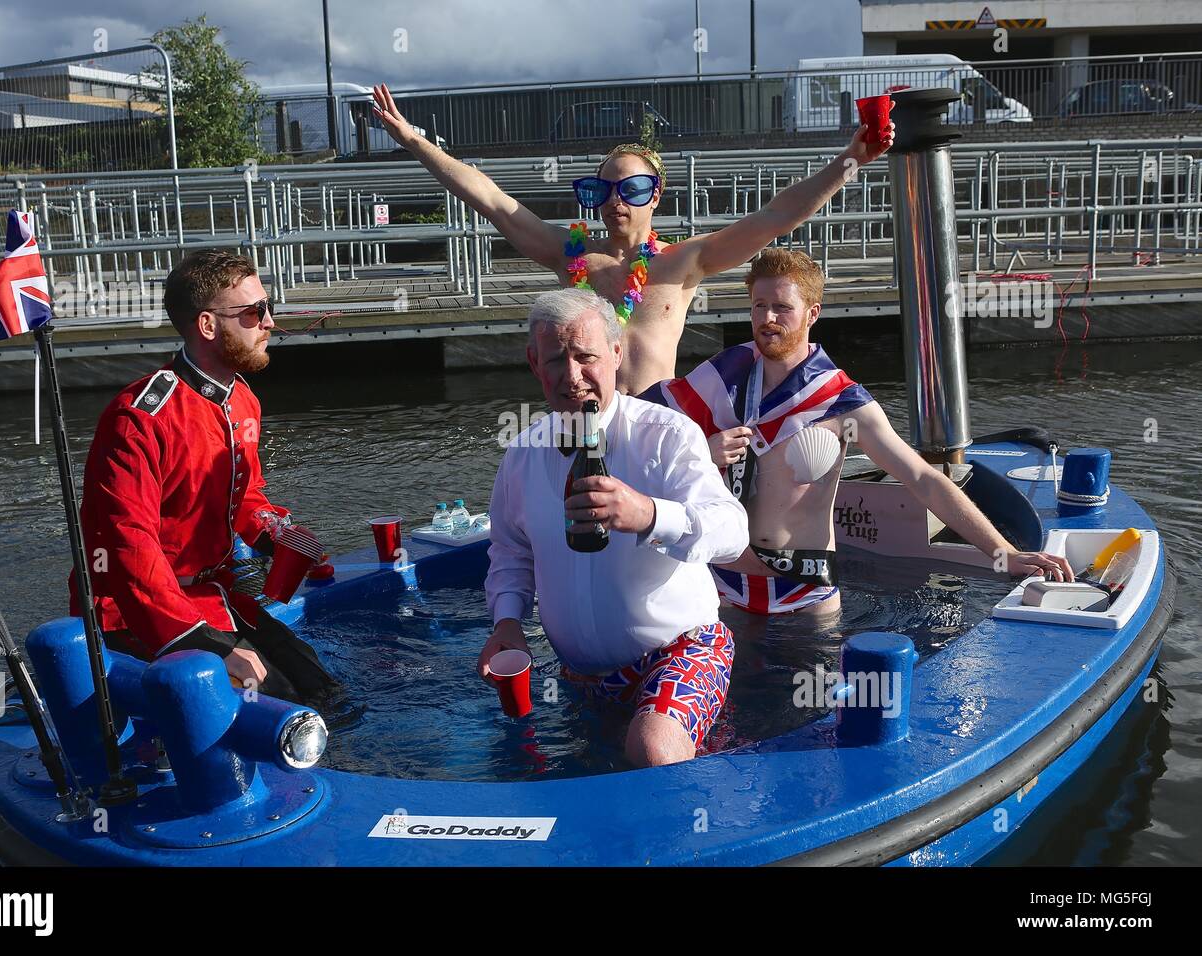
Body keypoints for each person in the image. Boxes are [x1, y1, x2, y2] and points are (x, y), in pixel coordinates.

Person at [370, 84, 894, 395]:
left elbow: (777, 216)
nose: (619, 199)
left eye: (635, 187)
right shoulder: (571, 254)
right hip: (590, 425)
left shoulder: (685, 262)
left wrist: (851, 160)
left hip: (658, 424)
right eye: (607, 188)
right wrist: (415, 141)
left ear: (655, 195)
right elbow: (490, 198)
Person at [643, 248, 1074, 618]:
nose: (767, 319)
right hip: (726, 586)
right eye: (758, 306)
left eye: (781, 308)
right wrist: (703, 449)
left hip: (804, 593)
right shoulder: (724, 373)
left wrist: (1004, 554)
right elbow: (644, 426)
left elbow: (923, 480)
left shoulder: (845, 401)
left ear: (813, 313)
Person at [478, 287, 749, 767]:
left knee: (652, 750)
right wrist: (507, 622)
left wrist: (648, 514)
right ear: (533, 364)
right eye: (556, 359)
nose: (573, 376)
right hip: (579, 676)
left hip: (682, 646)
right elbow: (510, 553)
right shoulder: (521, 454)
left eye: (586, 356)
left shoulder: (667, 434)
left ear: (617, 353)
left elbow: (732, 532)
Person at [69, 250, 336, 703]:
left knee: (321, 689)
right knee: (278, 699)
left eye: (267, 306)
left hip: (211, 594)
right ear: (208, 325)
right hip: (132, 613)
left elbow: (246, 496)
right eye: (254, 312)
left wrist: (279, 535)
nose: (269, 322)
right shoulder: (139, 417)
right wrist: (202, 641)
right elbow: (129, 545)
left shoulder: (243, 400)